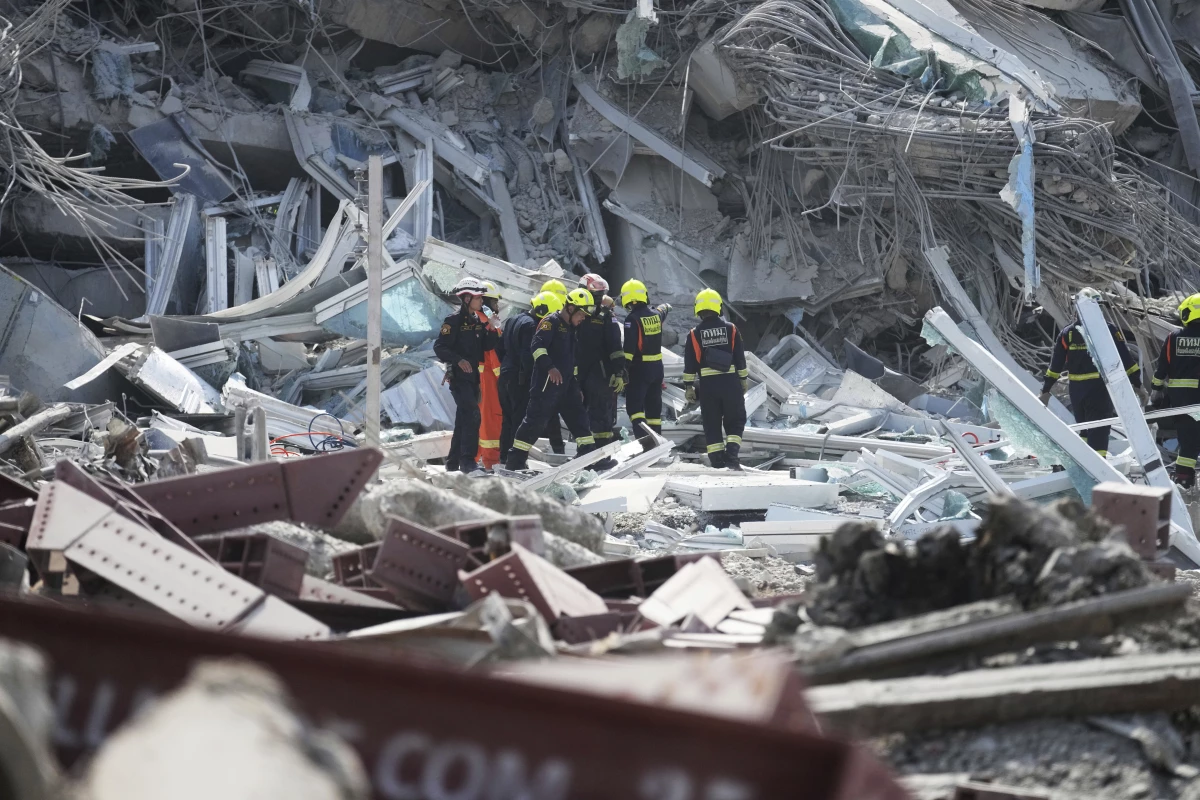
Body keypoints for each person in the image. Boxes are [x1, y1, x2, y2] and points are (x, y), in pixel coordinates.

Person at [1039, 290, 1142, 457]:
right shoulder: (1107, 329)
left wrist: (1045, 390)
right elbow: (1125, 357)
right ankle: (1099, 473)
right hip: (1099, 390)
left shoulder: (1068, 333)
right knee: (1099, 433)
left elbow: (1055, 366)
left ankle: (1086, 466)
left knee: (1085, 432)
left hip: (1077, 392)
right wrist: (1137, 384)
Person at [505, 288, 598, 471]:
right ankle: (515, 461)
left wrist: (576, 386)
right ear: (570, 309)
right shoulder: (550, 322)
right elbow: (537, 346)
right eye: (581, 314)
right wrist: (550, 367)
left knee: (579, 418)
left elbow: (571, 360)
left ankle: (588, 455)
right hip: (546, 385)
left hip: (567, 386)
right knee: (534, 423)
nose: (583, 319)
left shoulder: (571, 328)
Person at [433, 277, 498, 475]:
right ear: (467, 298)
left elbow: (486, 346)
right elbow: (440, 346)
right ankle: (468, 461)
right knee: (472, 415)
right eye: (479, 298)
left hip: (473, 380)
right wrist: (458, 360)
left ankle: (453, 462)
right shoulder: (453, 321)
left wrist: (493, 329)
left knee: (463, 419)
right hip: (459, 378)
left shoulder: (477, 320)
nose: (482, 301)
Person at [682, 289, 748, 470]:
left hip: (708, 387)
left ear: (699, 309)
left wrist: (688, 387)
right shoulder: (731, 329)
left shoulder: (694, 334)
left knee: (711, 424)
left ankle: (718, 462)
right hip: (730, 383)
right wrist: (743, 380)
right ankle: (732, 457)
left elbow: (690, 364)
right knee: (736, 420)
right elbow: (740, 358)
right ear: (718, 307)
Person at [498, 291, 562, 462]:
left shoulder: (513, 319)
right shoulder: (532, 326)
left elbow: (500, 347)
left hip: (505, 375)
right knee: (520, 421)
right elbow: (529, 356)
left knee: (508, 420)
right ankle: (515, 460)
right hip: (520, 379)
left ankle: (504, 457)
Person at [575, 273, 625, 470]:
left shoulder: (605, 316)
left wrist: (619, 371)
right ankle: (583, 455)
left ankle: (601, 456)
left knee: (601, 414)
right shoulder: (572, 312)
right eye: (595, 294)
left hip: (599, 373)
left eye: (600, 294)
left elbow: (615, 347)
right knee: (578, 413)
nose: (597, 299)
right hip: (577, 372)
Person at [1152, 293, 1200, 487]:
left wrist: (1155, 390)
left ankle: (1183, 478)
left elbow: (1162, 368)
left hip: (1181, 400)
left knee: (1187, 438)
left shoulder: (1173, 338)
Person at [620, 279, 670, 451]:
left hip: (639, 370)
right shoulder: (655, 316)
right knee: (654, 410)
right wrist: (666, 306)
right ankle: (659, 448)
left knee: (635, 409)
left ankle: (646, 447)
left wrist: (623, 369)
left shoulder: (631, 319)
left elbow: (629, 348)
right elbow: (662, 311)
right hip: (657, 369)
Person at [538, 278, 570, 454]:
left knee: (545, 415)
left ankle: (557, 447)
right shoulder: (558, 322)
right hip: (554, 376)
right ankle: (558, 448)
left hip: (546, 376)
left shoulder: (539, 321)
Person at [475, 281, 504, 469]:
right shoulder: (485, 321)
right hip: (488, 377)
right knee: (491, 419)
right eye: (495, 302)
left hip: (481, 376)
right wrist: (502, 377)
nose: (497, 307)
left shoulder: (477, 318)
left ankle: (474, 457)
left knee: (480, 418)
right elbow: (492, 352)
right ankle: (491, 461)